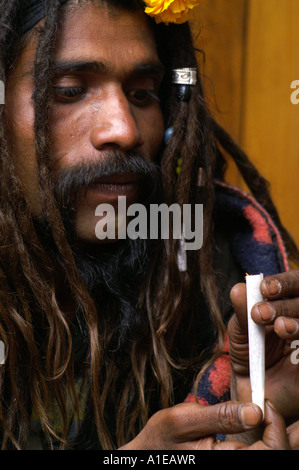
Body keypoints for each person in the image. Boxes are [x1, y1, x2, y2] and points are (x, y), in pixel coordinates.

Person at [0, 0, 298, 450]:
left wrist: (252, 401)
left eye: (143, 93)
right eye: (69, 90)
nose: (123, 129)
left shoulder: (211, 267)